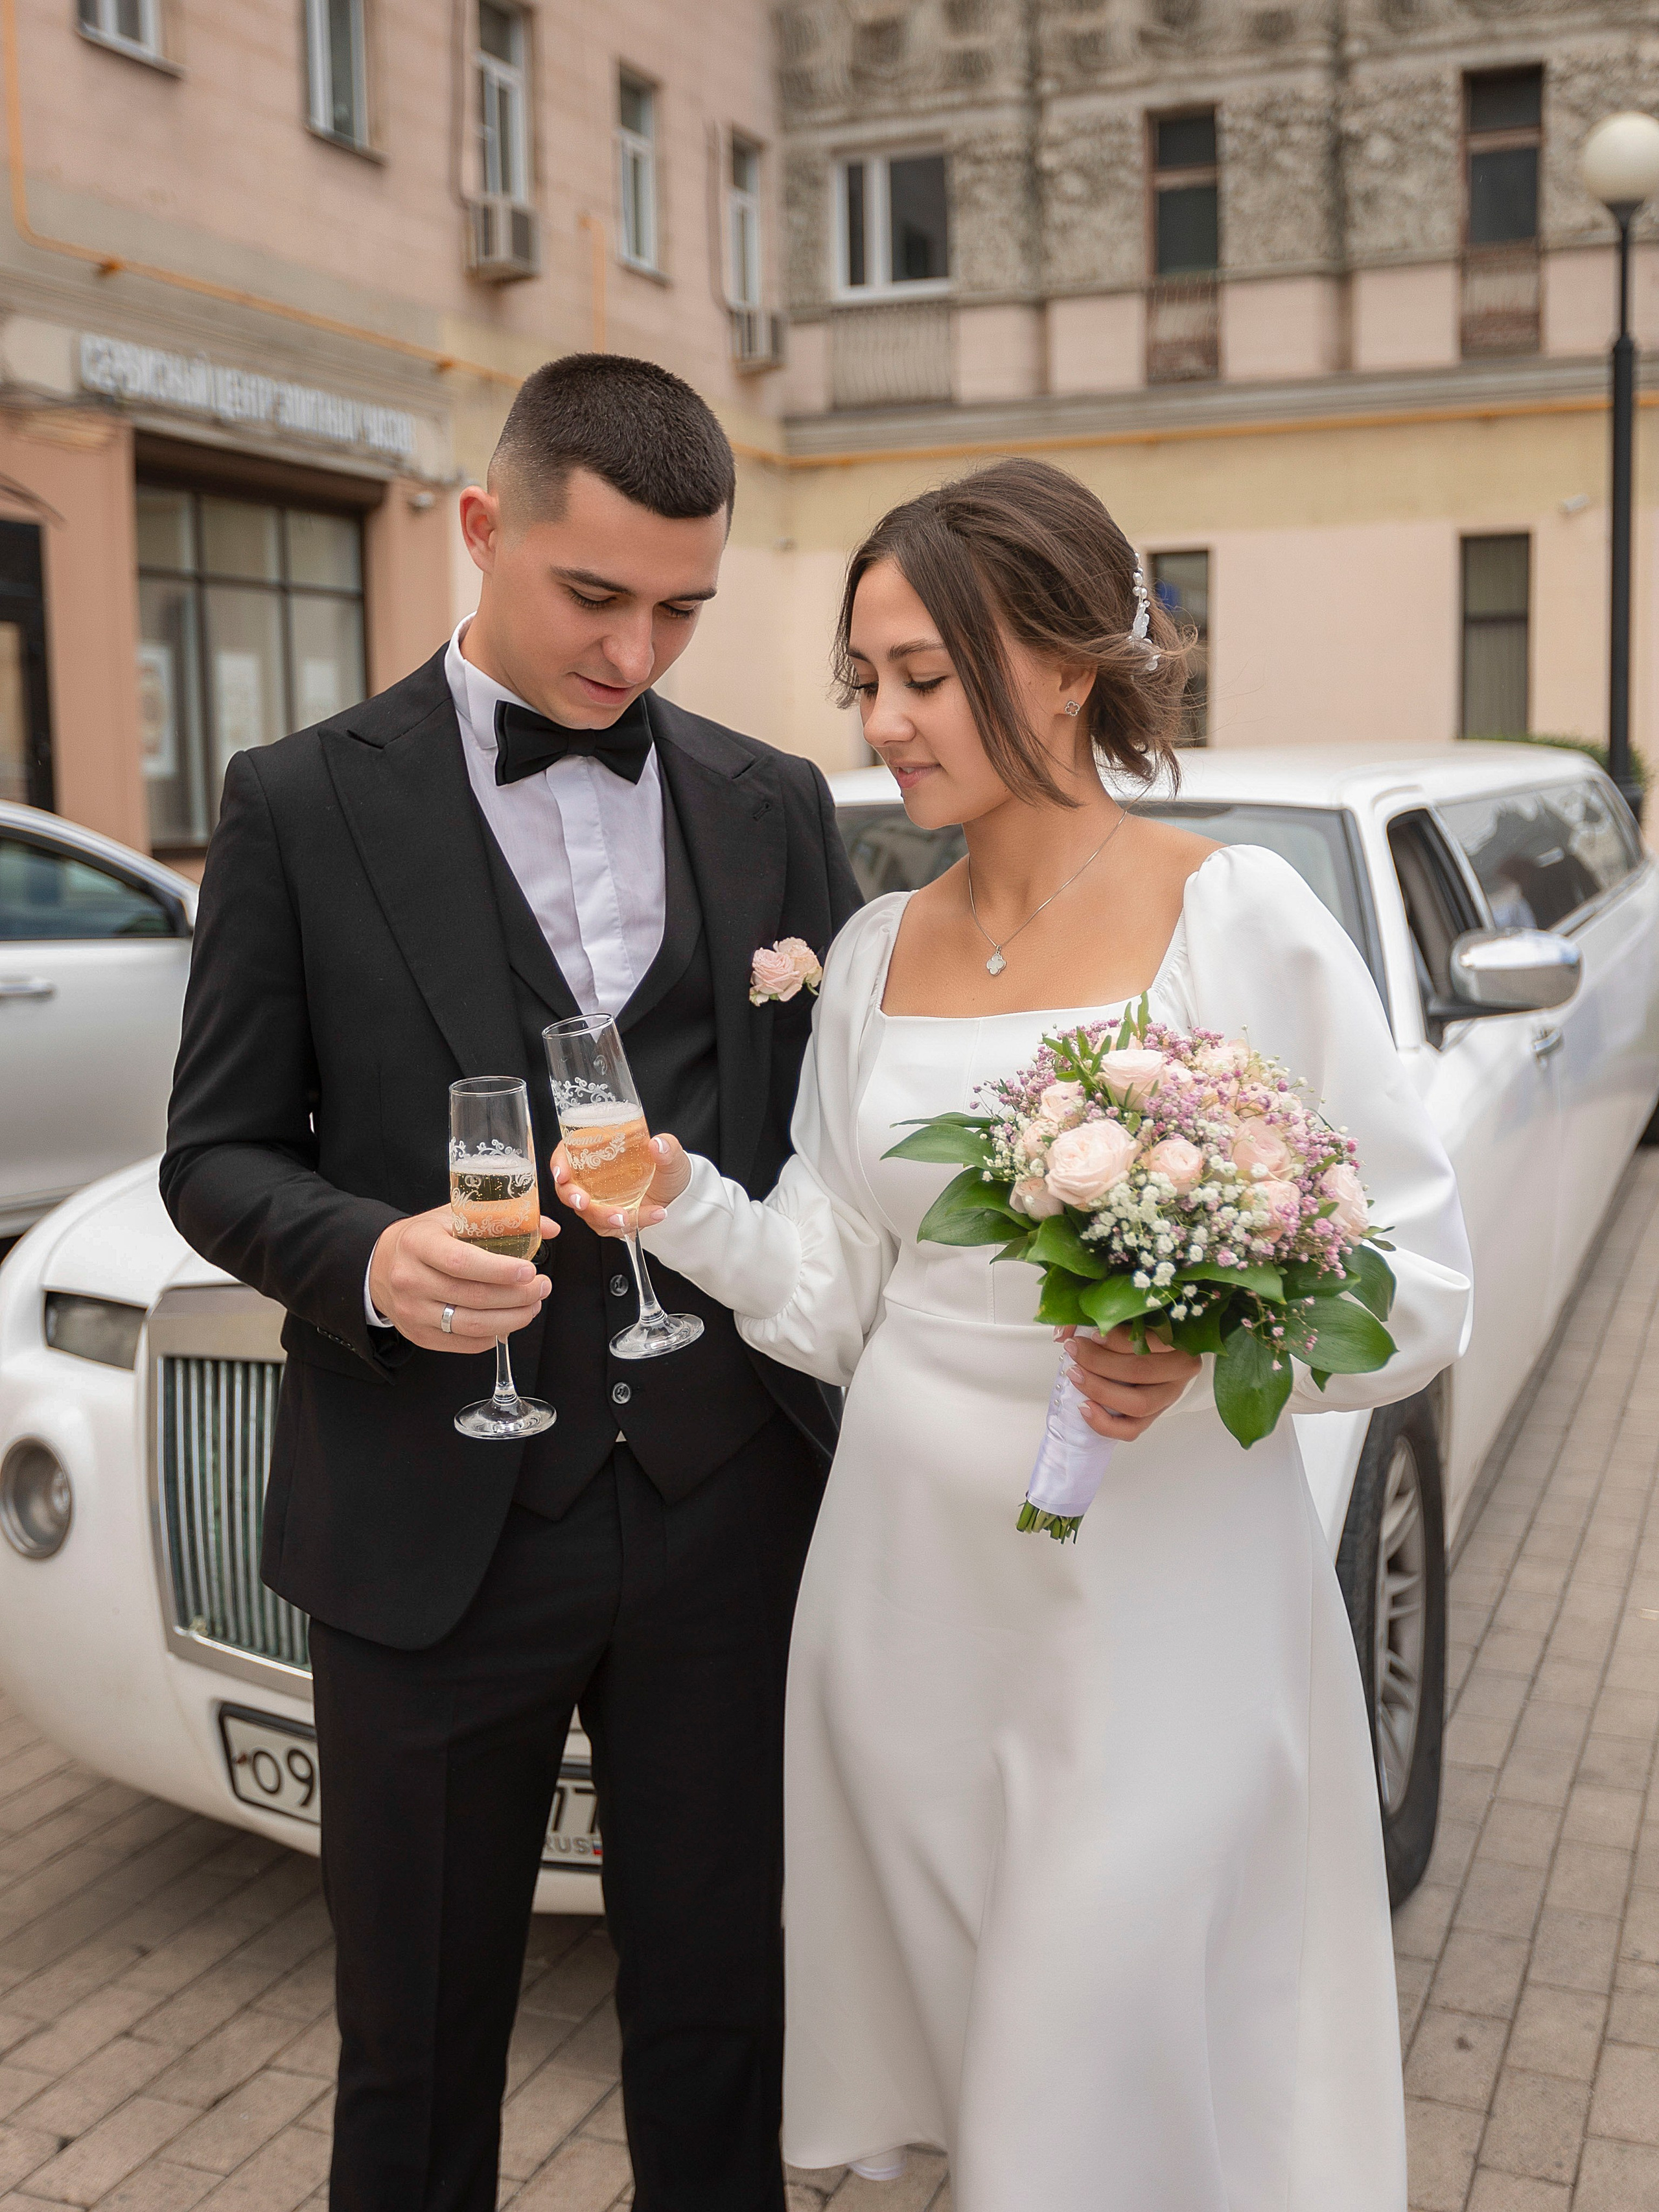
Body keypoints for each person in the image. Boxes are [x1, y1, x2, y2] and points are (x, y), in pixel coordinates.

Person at [555, 457, 1474, 2210]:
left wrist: (1216, 1344)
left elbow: (1419, 1283)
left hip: (1158, 1597)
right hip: (905, 1605)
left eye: (926, 674)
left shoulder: (1240, 920)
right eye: (869, 681)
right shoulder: (880, 946)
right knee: (992, 2065)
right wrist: (677, 1199)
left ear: (1063, 662)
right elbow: (835, 1293)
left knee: (1101, 2026)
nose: (888, 722)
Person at [159, 353, 862, 2212]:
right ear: (483, 528)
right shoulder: (300, 802)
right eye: (596, 597)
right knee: (416, 2045)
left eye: (685, 612)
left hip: (730, 1513)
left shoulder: (778, 802)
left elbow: (834, 1152)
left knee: (725, 2023)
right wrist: (364, 1259)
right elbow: (213, 1154)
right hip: (426, 1527)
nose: (638, 657)